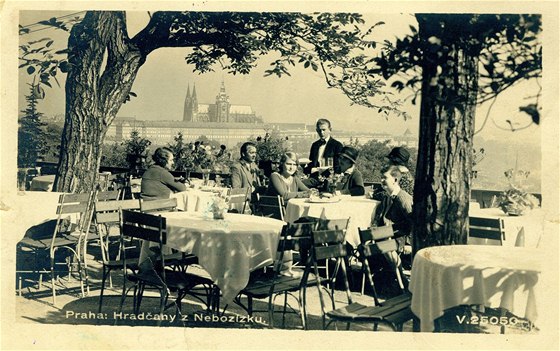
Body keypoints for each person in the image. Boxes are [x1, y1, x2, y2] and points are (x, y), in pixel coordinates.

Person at [304, 118, 344, 183]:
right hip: (314, 178)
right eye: (319, 130)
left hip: (330, 178)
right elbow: (311, 162)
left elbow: (338, 165)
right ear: (317, 131)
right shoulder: (315, 145)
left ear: (330, 130)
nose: (321, 132)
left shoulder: (337, 145)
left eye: (324, 130)